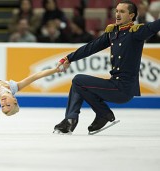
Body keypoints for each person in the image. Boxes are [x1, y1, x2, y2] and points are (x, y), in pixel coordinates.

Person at [53, 0, 160, 134]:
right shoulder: (113, 33)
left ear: (131, 15)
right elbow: (91, 47)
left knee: (78, 80)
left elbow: (156, 25)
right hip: (114, 84)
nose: (117, 14)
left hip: (124, 88)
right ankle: (88, 117)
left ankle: (92, 115)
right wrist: (69, 58)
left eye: (122, 11)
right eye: (116, 11)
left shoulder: (137, 33)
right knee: (79, 85)